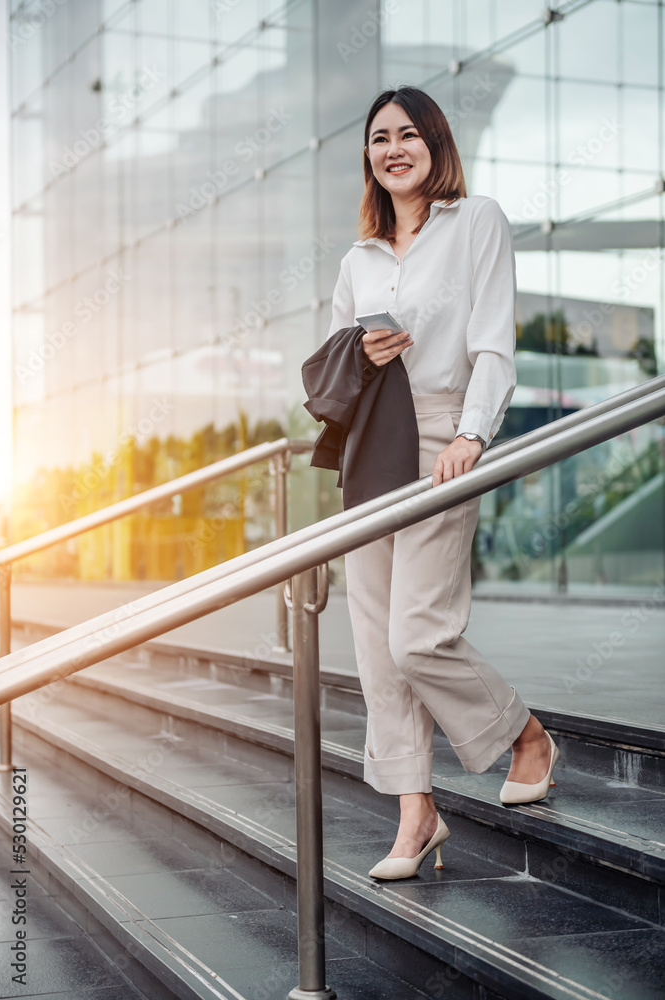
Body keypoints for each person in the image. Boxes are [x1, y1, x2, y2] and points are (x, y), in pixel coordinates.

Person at [326, 86, 559, 880]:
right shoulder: (357, 259)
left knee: (417, 633)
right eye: (379, 137)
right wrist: (363, 355)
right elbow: (332, 362)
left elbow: (494, 342)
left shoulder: (477, 221)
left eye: (407, 134)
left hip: (441, 437)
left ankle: (525, 735)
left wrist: (472, 432)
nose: (393, 148)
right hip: (371, 447)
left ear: (435, 142)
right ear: (369, 155)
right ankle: (414, 812)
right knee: (375, 649)